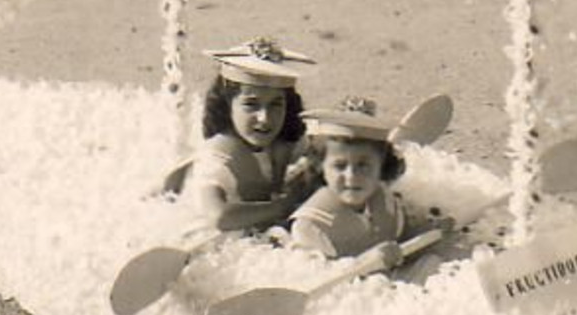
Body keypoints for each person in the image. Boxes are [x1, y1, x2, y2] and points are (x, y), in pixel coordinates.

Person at [288, 97, 454, 269]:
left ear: (380, 166)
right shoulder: (310, 226)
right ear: (322, 167)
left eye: (363, 165)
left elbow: (401, 240)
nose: (352, 176)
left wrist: (427, 233)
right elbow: (311, 277)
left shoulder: (386, 202)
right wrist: (366, 263)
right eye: (340, 166)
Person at [189, 37, 321, 233]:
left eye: (276, 105)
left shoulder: (287, 142)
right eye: (251, 104)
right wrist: (283, 206)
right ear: (228, 105)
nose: (264, 118)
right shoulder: (217, 156)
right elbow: (218, 216)